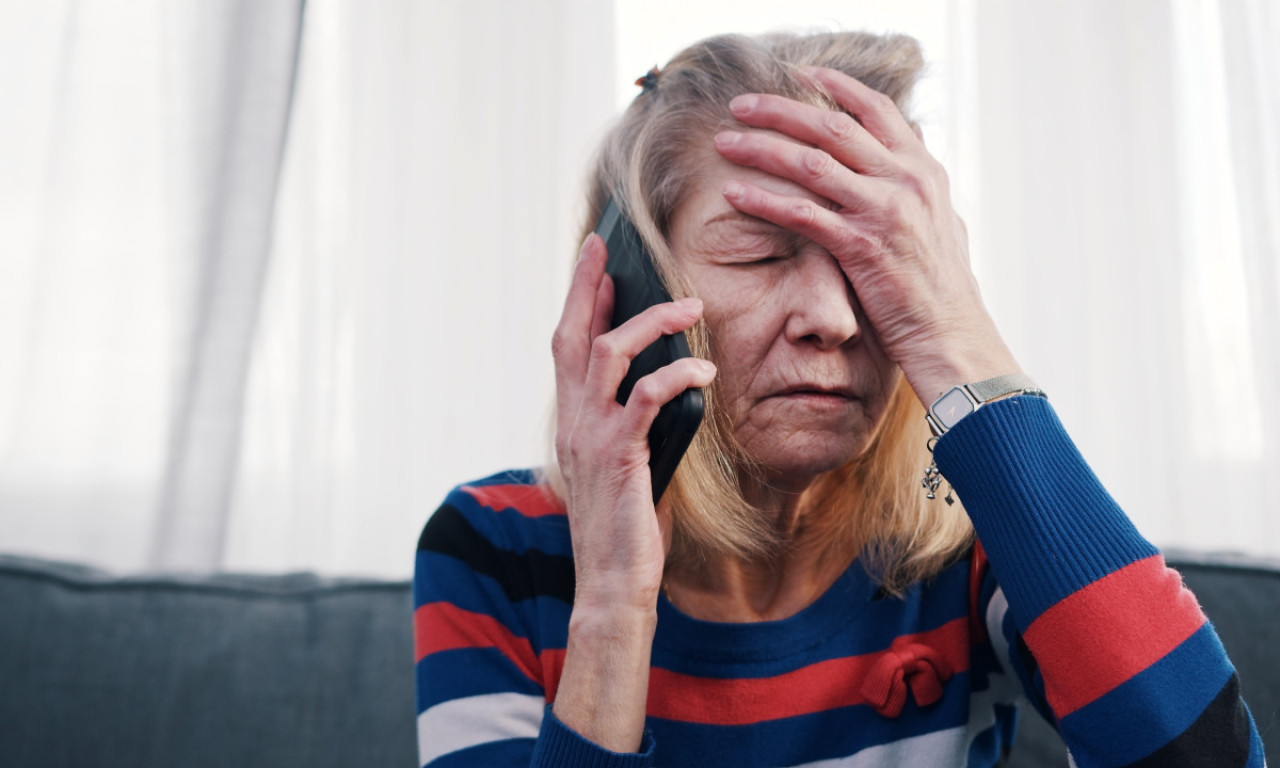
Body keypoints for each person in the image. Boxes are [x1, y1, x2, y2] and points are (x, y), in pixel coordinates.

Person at [413, 30, 1265, 767]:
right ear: (629, 296)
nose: (832, 319)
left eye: (876, 262)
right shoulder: (494, 551)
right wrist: (609, 607)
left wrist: (956, 337)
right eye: (757, 253)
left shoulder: (971, 542)